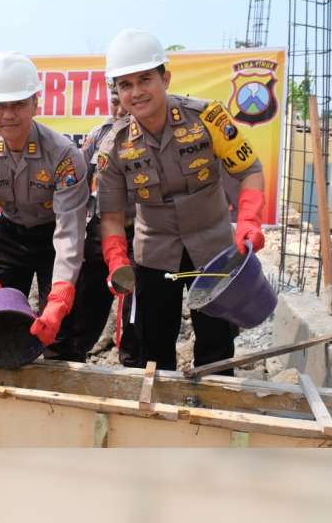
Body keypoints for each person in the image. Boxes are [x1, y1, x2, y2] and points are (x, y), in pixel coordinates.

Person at [97, 28, 266, 374]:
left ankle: (215, 414)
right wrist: (116, 259)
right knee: (154, 348)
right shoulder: (113, 147)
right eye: (125, 85)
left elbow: (250, 169)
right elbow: (111, 216)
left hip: (214, 248)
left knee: (217, 344)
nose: (136, 92)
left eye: (145, 79)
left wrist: (249, 219)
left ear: (166, 78)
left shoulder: (207, 119)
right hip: (155, 255)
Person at [0, 52, 89, 362]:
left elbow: (70, 231)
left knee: (60, 330)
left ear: (35, 103)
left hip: (53, 240)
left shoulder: (64, 155)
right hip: (10, 237)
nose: (9, 115)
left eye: (18, 104)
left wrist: (60, 293)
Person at [74, 88, 142, 366]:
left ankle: (133, 364)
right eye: (114, 102)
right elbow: (76, 183)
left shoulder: (155, 134)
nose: (120, 110)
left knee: (136, 312)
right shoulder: (98, 136)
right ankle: (72, 357)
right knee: (85, 305)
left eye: (123, 103)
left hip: (143, 233)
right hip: (101, 232)